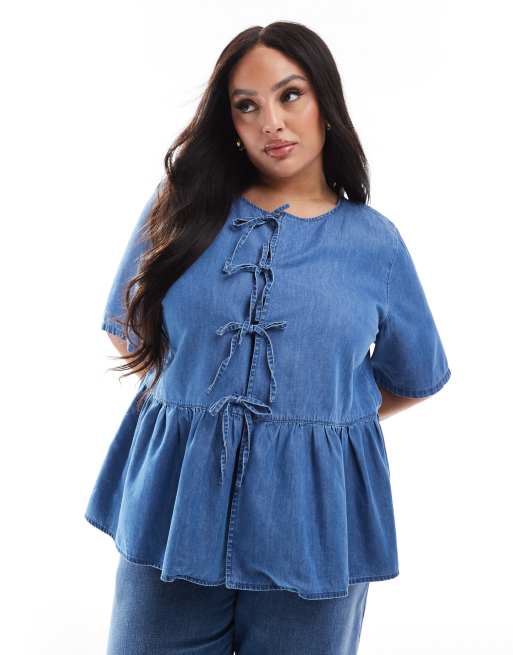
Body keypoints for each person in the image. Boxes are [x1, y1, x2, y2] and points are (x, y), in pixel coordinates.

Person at [84, 21, 451, 655]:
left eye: (290, 95)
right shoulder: (182, 204)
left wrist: (320, 422)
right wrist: (190, 402)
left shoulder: (375, 243)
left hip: (312, 528)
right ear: (229, 121)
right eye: (246, 105)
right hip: (174, 513)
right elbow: (128, 324)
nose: (271, 124)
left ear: (325, 101)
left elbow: (414, 376)